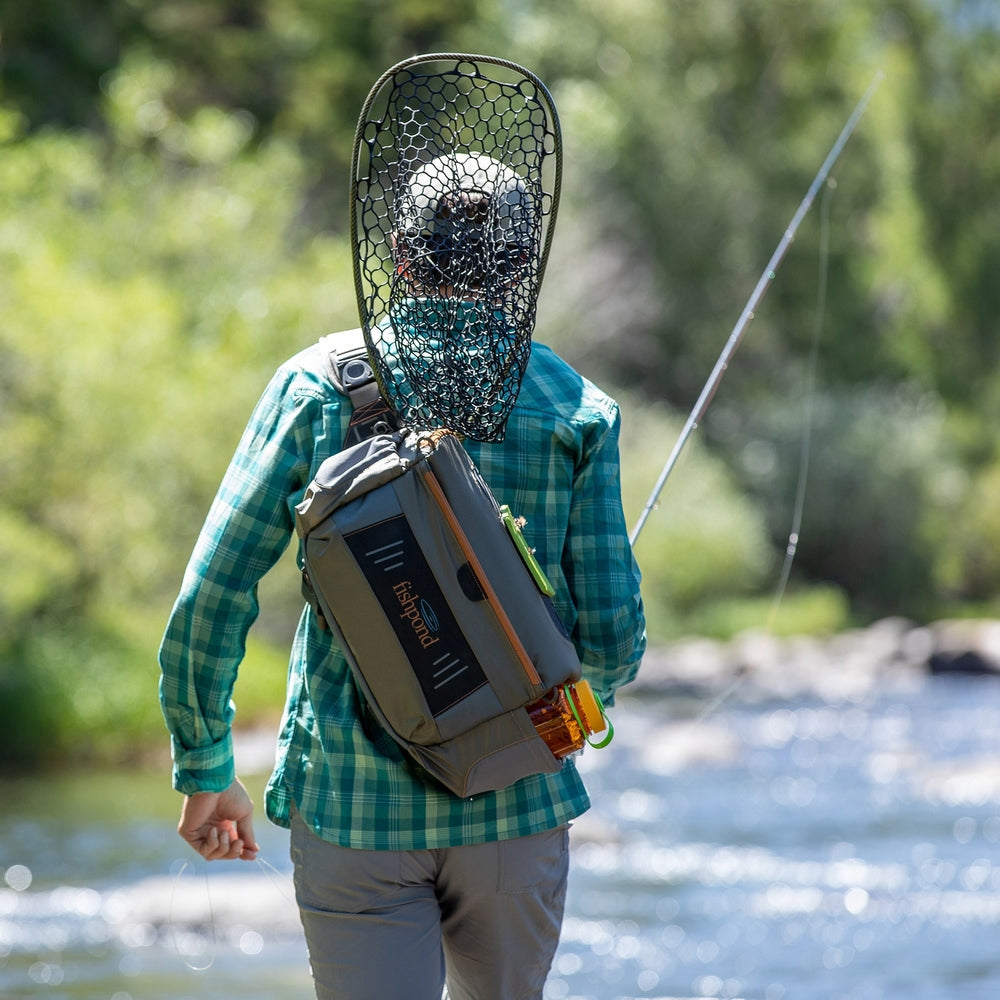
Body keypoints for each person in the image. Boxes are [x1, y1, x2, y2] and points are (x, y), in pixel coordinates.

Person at [159, 57, 645, 1000]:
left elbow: (211, 595)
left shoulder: (315, 387)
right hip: (518, 805)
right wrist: (579, 691)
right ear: (520, 264)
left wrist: (205, 764)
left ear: (403, 254)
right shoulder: (576, 407)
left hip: (351, 812)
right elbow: (615, 641)